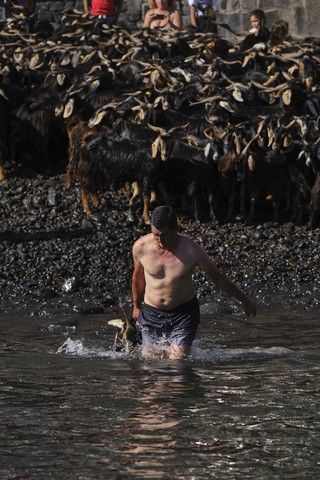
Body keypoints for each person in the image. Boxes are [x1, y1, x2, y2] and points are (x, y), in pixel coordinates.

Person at [132, 206, 256, 360]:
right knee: (151, 360)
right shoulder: (141, 247)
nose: (159, 240)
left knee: (178, 362)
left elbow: (217, 278)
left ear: (175, 229)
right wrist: (136, 306)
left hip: (183, 313)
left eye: (164, 235)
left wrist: (244, 301)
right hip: (151, 312)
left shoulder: (191, 250)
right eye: (156, 234)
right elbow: (138, 278)